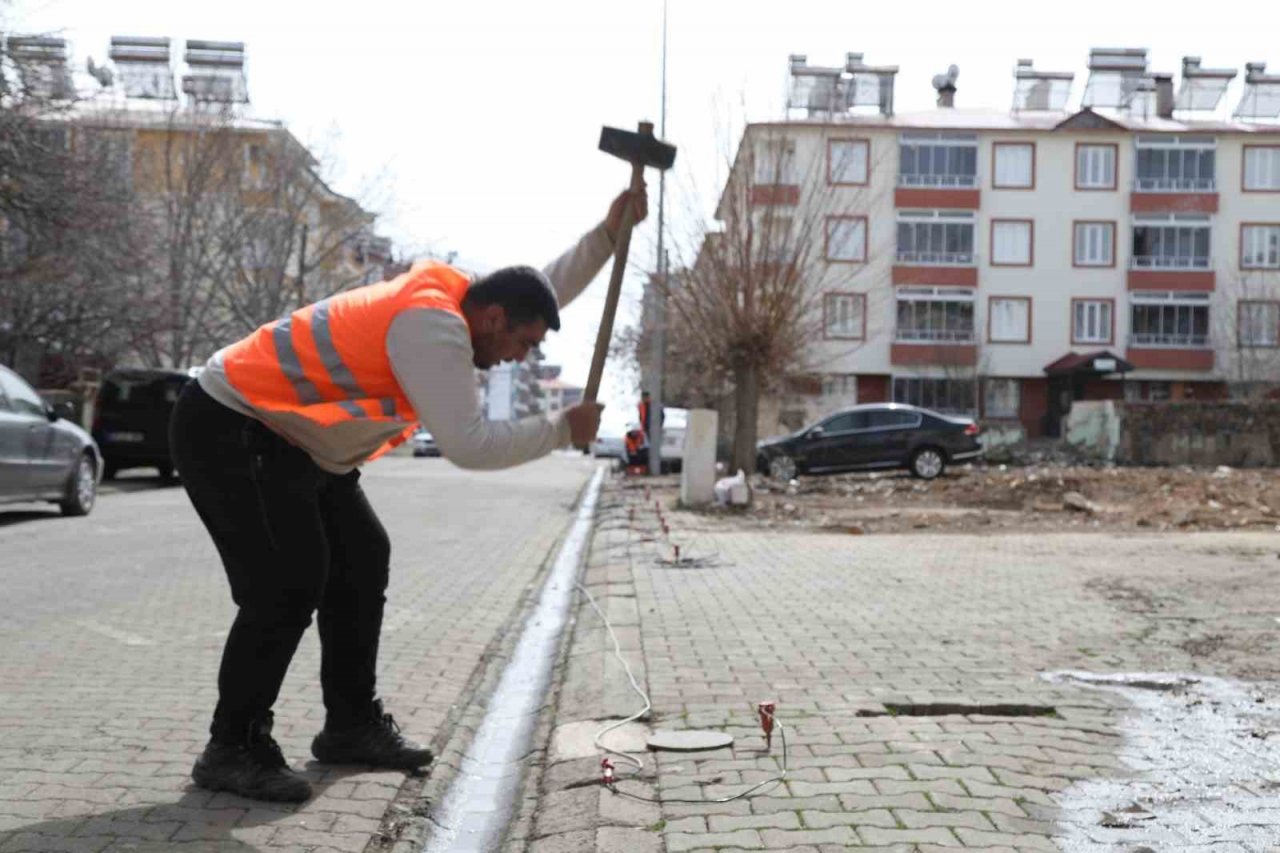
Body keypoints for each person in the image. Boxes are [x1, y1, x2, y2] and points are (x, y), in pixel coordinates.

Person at [170, 187, 647, 802]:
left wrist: (606, 238)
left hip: (297, 440)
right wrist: (559, 430)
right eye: (521, 345)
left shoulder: (469, 301)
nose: (515, 360)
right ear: (494, 320)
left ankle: (349, 725)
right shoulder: (432, 325)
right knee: (285, 584)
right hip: (232, 424)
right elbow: (469, 444)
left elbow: (541, 287)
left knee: (361, 557)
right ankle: (231, 747)